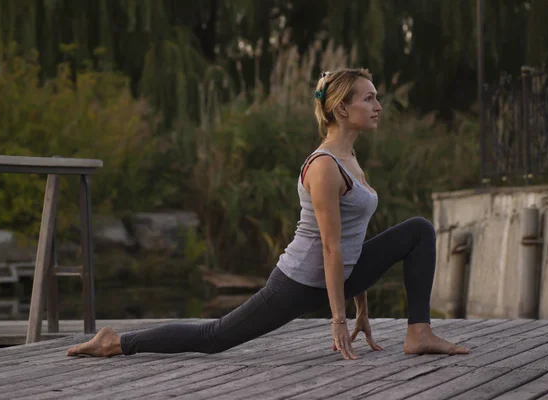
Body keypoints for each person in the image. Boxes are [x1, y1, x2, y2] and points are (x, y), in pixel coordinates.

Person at [67, 68, 469, 360]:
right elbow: (330, 247)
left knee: (418, 230)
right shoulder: (325, 165)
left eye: (376, 97)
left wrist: (363, 309)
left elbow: (353, 237)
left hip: (342, 273)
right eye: (369, 98)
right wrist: (338, 319)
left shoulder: (351, 158)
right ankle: (116, 342)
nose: (379, 106)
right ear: (342, 109)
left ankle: (418, 332)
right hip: (299, 280)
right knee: (215, 337)